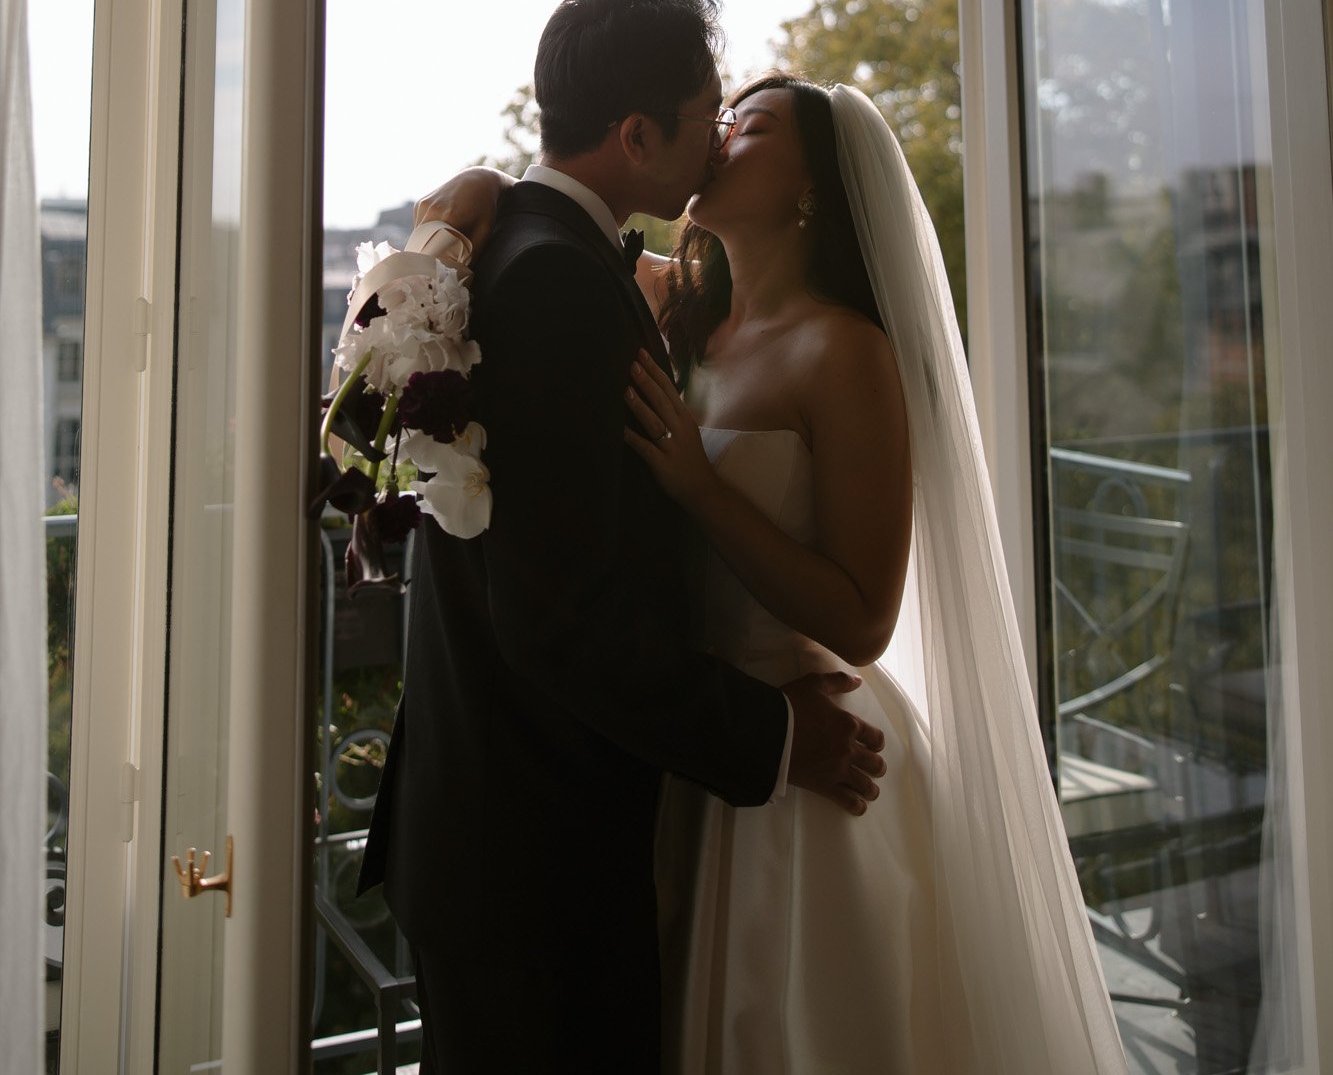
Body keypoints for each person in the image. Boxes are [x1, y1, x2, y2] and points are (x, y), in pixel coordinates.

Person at [418, 68, 1131, 1074]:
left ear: (812, 188)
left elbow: (865, 619)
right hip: (682, 739)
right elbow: (557, 227)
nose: (716, 136)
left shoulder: (846, 352)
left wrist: (702, 489)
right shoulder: (672, 304)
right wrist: (477, 185)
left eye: (746, 125)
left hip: (803, 760)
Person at [358, 0, 887, 1075]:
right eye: (710, 118)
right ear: (638, 134)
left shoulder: (549, 254)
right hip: (536, 850)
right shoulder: (555, 275)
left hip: (528, 823)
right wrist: (778, 737)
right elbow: (560, 620)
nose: (717, 144)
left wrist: (470, 196)